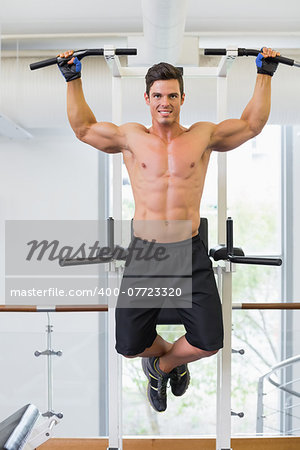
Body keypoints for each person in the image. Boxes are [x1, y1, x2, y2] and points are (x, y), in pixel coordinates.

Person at [58, 47, 280, 412]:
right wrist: (72, 79)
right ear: (146, 98)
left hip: (189, 251)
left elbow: (251, 125)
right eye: (158, 95)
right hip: (145, 252)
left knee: (210, 341)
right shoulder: (131, 137)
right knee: (128, 345)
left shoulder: (202, 136)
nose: (165, 102)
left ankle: (163, 366)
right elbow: (83, 129)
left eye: (172, 95)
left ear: (182, 98)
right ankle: (163, 364)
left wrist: (265, 74)